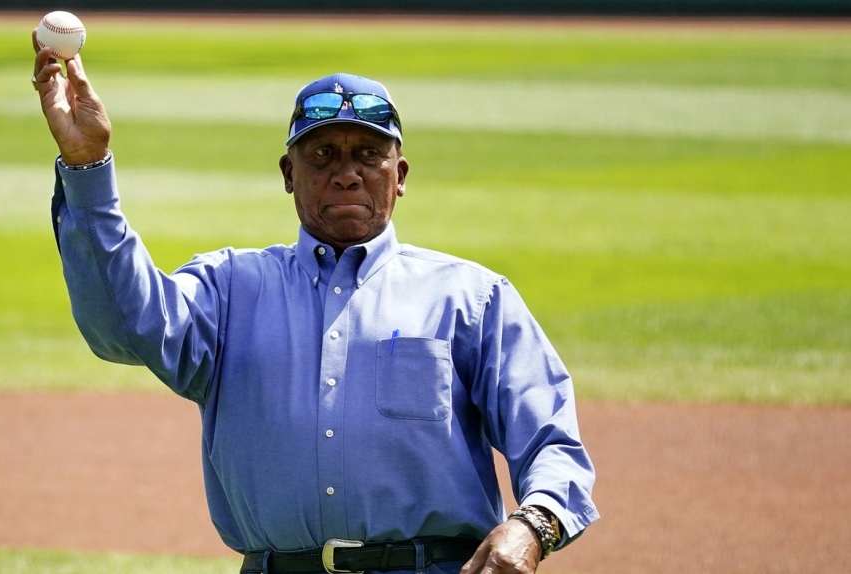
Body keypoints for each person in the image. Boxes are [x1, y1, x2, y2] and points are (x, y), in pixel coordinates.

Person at [31, 28, 598, 574]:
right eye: (323, 154)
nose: (346, 174)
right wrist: (87, 168)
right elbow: (125, 326)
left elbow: (550, 437)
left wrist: (534, 523)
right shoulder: (229, 290)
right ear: (288, 173)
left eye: (368, 155)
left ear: (399, 175)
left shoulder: (470, 298)